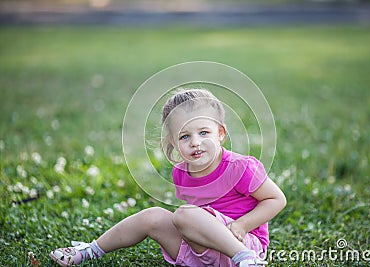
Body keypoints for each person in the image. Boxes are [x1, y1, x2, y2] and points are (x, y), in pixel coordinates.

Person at [50, 89, 286, 267]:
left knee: (185, 213)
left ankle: (247, 261)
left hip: (244, 243)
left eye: (204, 132)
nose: (195, 142)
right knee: (153, 216)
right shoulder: (180, 173)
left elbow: (276, 200)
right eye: (184, 136)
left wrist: (242, 225)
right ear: (173, 142)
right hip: (202, 250)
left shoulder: (239, 167)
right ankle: (90, 250)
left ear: (220, 133)